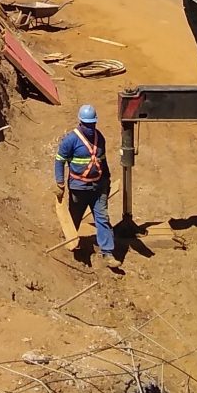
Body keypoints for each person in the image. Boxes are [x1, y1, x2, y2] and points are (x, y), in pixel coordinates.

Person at [53, 102, 122, 271]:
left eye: (93, 124)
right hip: (78, 188)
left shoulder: (100, 138)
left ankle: (108, 253)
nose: (91, 127)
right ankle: (71, 243)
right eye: (88, 124)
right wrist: (60, 183)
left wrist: (107, 179)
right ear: (81, 123)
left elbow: (102, 161)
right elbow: (59, 160)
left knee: (102, 219)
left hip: (98, 188)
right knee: (74, 217)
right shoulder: (70, 140)